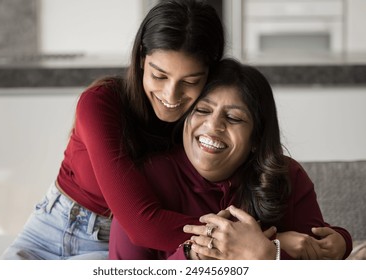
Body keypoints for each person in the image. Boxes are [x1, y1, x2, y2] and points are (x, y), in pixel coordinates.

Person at [0, 0, 225, 260]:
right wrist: (240, 242)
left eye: (190, 81)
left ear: (210, 75)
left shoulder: (207, 123)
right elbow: (142, 223)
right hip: (47, 230)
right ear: (141, 59)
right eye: (159, 76)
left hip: (112, 245)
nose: (170, 95)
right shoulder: (100, 102)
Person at [108, 58, 352, 260]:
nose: (213, 126)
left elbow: (320, 254)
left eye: (234, 118)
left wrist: (268, 255)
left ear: (256, 138)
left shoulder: (287, 176)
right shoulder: (143, 180)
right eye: (202, 110)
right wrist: (195, 256)